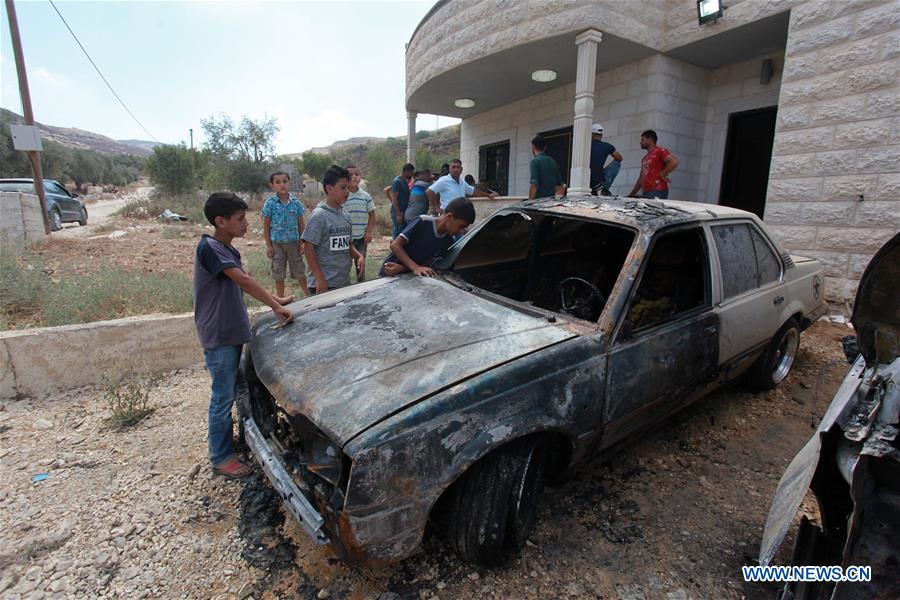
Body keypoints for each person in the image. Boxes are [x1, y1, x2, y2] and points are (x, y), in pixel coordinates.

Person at [193, 192, 294, 479]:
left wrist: (276, 298)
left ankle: (233, 444)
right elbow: (243, 281)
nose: (246, 223)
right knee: (222, 397)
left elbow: (238, 286)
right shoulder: (211, 248)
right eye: (240, 219)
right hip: (220, 335)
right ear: (220, 221)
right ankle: (221, 457)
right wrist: (275, 305)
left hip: (229, 332)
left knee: (235, 389)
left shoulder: (223, 247)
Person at [302, 165, 364, 294]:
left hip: (342, 283)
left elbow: (348, 244)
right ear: (329, 188)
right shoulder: (319, 216)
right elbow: (308, 248)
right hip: (323, 285)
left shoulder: (345, 215)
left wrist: (358, 256)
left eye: (348, 187)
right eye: (343, 187)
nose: (347, 192)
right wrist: (319, 278)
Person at [380, 197, 476, 277]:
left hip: (408, 275)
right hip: (390, 271)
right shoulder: (423, 222)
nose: (462, 231)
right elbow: (395, 245)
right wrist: (415, 267)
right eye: (461, 226)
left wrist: (404, 269)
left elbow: (427, 264)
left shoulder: (448, 241)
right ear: (449, 217)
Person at [261, 171, 310, 298]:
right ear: (272, 185)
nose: (282, 185)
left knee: (299, 270)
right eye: (278, 182)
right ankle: (281, 299)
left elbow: (301, 224)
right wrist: (269, 245)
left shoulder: (296, 203)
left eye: (284, 181)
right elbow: (266, 225)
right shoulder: (270, 203)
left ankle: (309, 296)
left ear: (290, 183)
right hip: (277, 244)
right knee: (279, 273)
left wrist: (302, 242)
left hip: (294, 243)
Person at [426, 158, 496, 214]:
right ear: (450, 169)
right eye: (453, 167)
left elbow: (473, 191)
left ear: (461, 169)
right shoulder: (444, 180)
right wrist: (437, 208)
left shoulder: (462, 182)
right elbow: (429, 192)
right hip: (447, 215)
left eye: (458, 167)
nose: (456, 169)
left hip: (460, 214)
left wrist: (488, 195)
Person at [343, 164, 375, 282]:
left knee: (360, 264)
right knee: (344, 265)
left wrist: (369, 232)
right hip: (346, 239)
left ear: (360, 177)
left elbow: (372, 215)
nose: (354, 177)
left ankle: (361, 289)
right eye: (350, 175)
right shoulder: (343, 196)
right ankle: (344, 288)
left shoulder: (365, 196)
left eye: (357, 174)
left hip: (362, 238)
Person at [629, 129, 679, 199]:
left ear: (649, 139)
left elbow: (674, 162)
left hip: (658, 190)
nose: (640, 142)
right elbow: (641, 178)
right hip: (647, 192)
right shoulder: (644, 158)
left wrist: (662, 173)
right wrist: (631, 194)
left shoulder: (660, 151)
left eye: (642, 140)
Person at [589, 123, 623, 196]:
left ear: (591, 134)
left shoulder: (586, 146)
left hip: (586, 182)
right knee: (617, 163)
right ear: (601, 135)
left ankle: (595, 189)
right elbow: (620, 158)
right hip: (599, 182)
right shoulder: (607, 146)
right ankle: (605, 189)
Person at [528, 135, 566, 200]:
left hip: (538, 202)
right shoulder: (554, 162)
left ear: (533, 148)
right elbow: (561, 186)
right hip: (550, 202)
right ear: (545, 148)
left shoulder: (535, 161)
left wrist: (530, 200)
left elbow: (534, 184)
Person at [384, 163, 415, 238]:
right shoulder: (397, 181)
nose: (412, 174)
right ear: (406, 172)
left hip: (402, 210)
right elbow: (395, 197)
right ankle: (394, 248)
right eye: (411, 172)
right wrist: (398, 214)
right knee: (398, 232)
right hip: (398, 212)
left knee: (399, 231)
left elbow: (386, 190)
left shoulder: (404, 181)